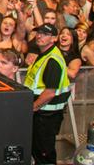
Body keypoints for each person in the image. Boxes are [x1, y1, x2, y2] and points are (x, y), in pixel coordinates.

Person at [24, 23, 70, 165]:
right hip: (41, 115)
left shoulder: (53, 60)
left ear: (54, 38)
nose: (39, 36)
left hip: (46, 116)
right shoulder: (43, 55)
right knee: (38, 152)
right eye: (38, 33)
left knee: (44, 154)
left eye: (45, 34)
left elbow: (50, 93)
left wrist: (32, 107)